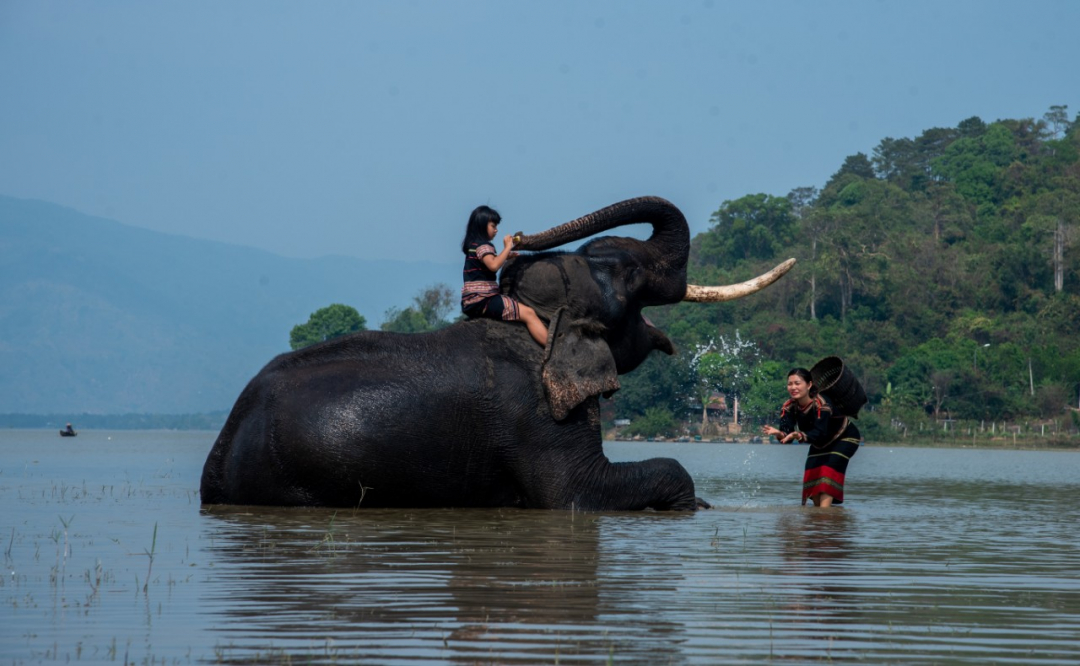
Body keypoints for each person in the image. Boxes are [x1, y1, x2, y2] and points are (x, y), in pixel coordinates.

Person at [761, 368, 861, 507]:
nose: (793, 387)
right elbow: (787, 434)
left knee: (827, 470)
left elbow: (820, 432)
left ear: (808, 385)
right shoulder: (788, 407)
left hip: (844, 437)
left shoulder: (821, 403)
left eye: (797, 383)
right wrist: (780, 434)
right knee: (812, 476)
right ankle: (819, 518)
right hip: (820, 442)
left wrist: (800, 435)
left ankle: (824, 513)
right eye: (790, 384)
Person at [460, 205, 548, 346]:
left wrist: (505, 256)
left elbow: (488, 262)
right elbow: (493, 265)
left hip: (471, 301)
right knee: (529, 313)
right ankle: (552, 351)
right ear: (482, 225)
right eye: (493, 226)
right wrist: (508, 247)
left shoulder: (473, 245)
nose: (496, 230)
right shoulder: (484, 246)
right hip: (484, 300)